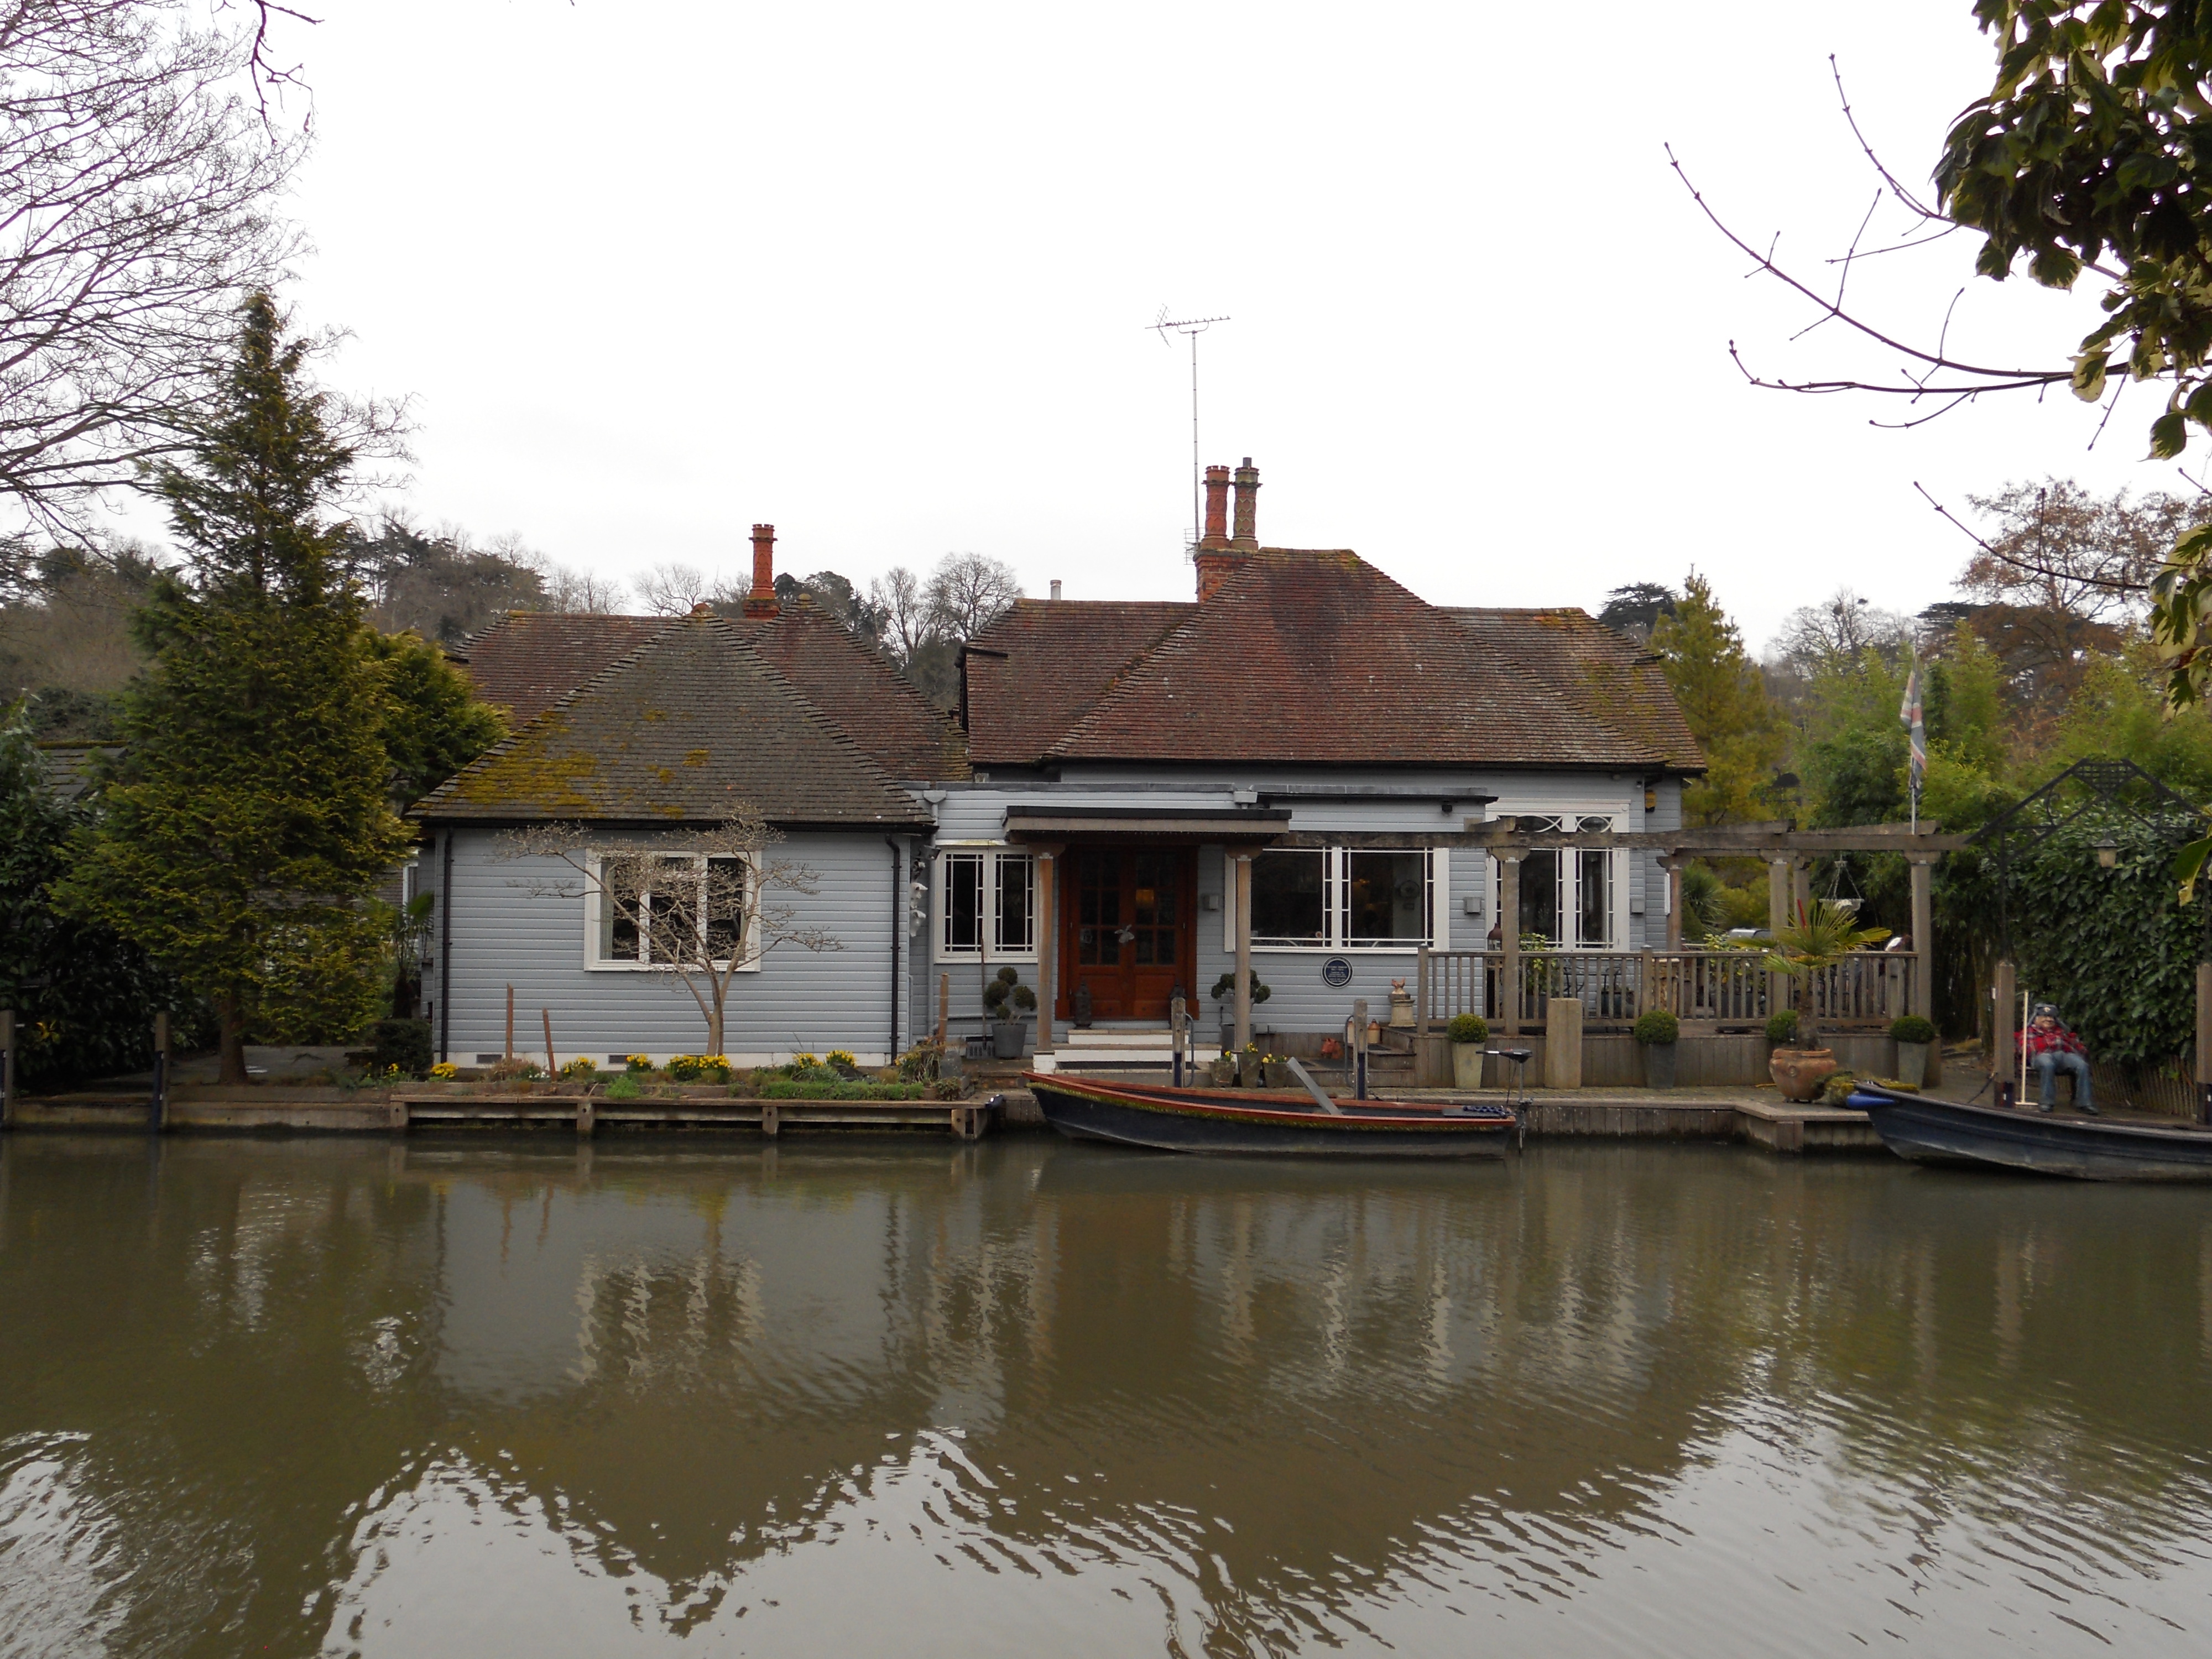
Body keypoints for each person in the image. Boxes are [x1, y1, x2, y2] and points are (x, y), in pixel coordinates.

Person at [2018, 1004, 2095, 1115]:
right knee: (2047, 1064)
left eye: (2051, 1017)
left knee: (2082, 1065)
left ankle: (2084, 1103)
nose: (2049, 1019)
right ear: (2036, 1019)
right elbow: (2025, 1049)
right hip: (2041, 1056)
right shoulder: (2029, 1032)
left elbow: (2076, 1045)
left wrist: (2082, 1051)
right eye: (2045, 1017)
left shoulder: (2061, 1031)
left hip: (2064, 1055)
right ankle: (2046, 1103)